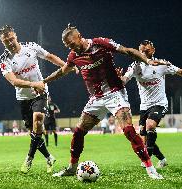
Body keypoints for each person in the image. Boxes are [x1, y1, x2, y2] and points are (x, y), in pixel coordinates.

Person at [37, 24, 168, 179]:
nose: (71, 48)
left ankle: (150, 169)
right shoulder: (73, 56)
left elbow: (127, 51)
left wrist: (147, 61)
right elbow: (62, 71)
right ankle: (72, 168)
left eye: (72, 44)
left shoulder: (100, 43)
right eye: (67, 46)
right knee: (78, 132)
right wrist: (44, 81)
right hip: (96, 99)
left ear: (79, 36)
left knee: (128, 131)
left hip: (115, 93)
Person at [119, 39, 182, 168]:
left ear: (153, 51)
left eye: (147, 50)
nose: (144, 52)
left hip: (160, 103)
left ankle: (147, 157)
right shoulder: (135, 66)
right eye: (141, 51)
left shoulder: (162, 64)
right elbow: (123, 80)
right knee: (144, 136)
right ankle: (162, 159)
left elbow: (181, 72)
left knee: (150, 126)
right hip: (144, 107)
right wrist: (118, 79)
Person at [0, 25, 69, 174]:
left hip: (41, 93)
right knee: (34, 133)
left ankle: (29, 158)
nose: (10, 42)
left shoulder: (31, 47)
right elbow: (13, 81)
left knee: (38, 119)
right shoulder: (3, 60)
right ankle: (49, 157)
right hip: (23, 97)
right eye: (6, 41)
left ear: (15, 36)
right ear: (2, 42)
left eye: (11, 38)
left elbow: (49, 56)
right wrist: (32, 84)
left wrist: (66, 65)